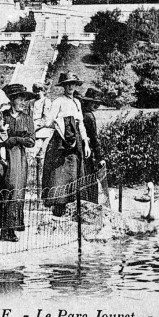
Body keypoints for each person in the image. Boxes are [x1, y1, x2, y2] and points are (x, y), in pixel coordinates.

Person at [0, 84, 37, 242]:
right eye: (20, 99)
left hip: (18, 156)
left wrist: (15, 139)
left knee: (15, 189)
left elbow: (31, 141)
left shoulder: (27, 118)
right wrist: (13, 139)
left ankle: (10, 228)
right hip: (1, 156)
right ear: (12, 100)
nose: (23, 102)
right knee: (0, 188)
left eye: (24, 100)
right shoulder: (1, 116)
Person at [42, 72, 91, 217]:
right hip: (61, 142)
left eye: (73, 84)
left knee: (74, 172)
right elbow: (48, 122)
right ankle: (58, 208)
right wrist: (60, 124)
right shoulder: (58, 101)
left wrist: (86, 143)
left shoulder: (77, 102)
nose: (70, 87)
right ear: (64, 86)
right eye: (67, 84)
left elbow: (81, 124)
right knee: (60, 174)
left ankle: (72, 207)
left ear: (76, 86)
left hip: (76, 142)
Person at [76, 88, 106, 204]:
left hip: (79, 149)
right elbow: (94, 139)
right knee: (90, 177)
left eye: (98, 103)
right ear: (88, 102)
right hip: (87, 150)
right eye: (94, 103)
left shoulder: (80, 113)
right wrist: (100, 157)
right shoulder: (89, 116)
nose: (97, 106)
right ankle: (91, 203)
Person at [29, 82, 53, 191]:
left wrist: (34, 127)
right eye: (36, 90)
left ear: (43, 91)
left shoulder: (46, 102)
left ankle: (41, 189)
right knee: (30, 159)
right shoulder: (31, 103)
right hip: (32, 133)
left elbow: (45, 119)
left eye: (40, 90)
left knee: (41, 162)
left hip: (42, 133)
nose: (38, 93)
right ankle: (31, 187)